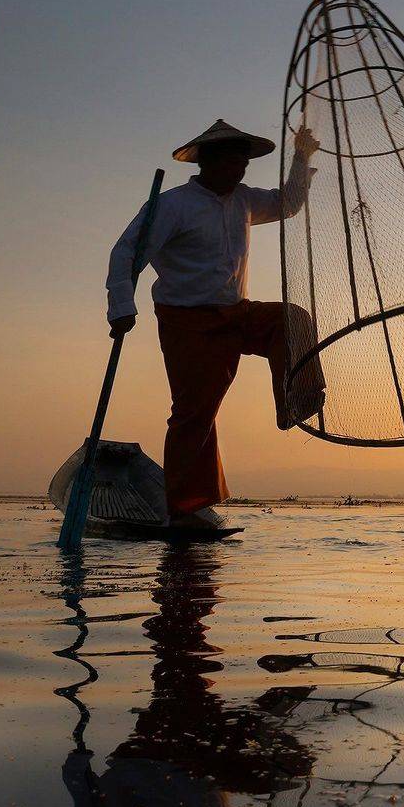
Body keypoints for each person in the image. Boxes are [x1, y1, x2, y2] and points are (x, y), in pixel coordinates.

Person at [106, 119, 324, 525]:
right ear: (207, 162)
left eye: (243, 160)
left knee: (291, 319)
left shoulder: (243, 200)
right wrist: (121, 307)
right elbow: (126, 253)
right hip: (188, 320)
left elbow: (288, 203)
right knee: (195, 413)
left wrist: (301, 156)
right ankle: (185, 508)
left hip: (236, 312)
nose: (241, 167)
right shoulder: (171, 206)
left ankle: (296, 401)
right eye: (232, 159)